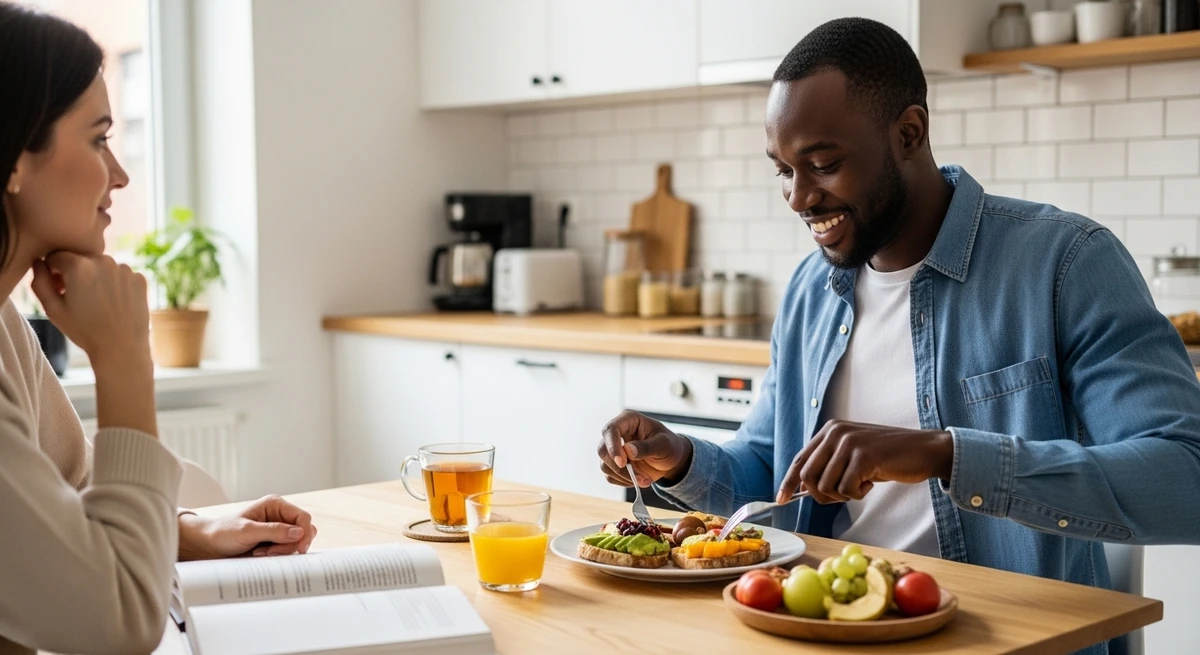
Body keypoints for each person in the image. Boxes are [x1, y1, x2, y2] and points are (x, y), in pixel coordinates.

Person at [599, 17, 1200, 653]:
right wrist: (683, 459)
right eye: (783, 170)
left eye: (824, 164)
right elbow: (773, 481)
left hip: (1010, 640)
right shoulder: (810, 290)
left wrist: (945, 454)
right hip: (826, 628)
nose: (800, 198)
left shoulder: (1065, 263)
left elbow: (1184, 478)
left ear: (910, 133)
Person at [0, 4, 316, 653]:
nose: (117, 174)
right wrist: (124, 362)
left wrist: (189, 530)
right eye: (96, 138)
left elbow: (63, 494)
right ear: (12, 158)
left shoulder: (4, 321)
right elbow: (116, 623)